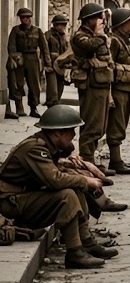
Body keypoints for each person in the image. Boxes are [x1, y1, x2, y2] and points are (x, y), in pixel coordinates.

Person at [0, 105, 120, 268]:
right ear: (57, 134)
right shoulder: (34, 149)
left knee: (75, 186)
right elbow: (55, 180)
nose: (74, 134)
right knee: (67, 194)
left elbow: (67, 153)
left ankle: (86, 242)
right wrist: (87, 181)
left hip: (22, 198)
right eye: (71, 130)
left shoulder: (48, 143)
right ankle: (75, 253)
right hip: (10, 203)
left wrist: (83, 167)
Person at [69, 2, 115, 175]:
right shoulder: (80, 36)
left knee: (100, 125)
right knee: (91, 124)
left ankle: (92, 160)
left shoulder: (97, 35)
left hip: (101, 83)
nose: (102, 21)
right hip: (90, 85)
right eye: (98, 18)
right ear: (89, 20)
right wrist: (100, 36)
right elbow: (89, 46)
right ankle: (87, 162)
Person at [105, 8, 130, 175]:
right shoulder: (114, 41)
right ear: (121, 24)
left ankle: (117, 159)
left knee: (122, 122)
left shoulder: (122, 40)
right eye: (129, 22)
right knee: (116, 124)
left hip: (125, 88)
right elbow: (108, 66)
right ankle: (115, 160)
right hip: (117, 89)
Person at [6, 7, 50, 119]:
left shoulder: (37, 31)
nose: (24, 19)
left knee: (34, 84)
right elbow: (11, 46)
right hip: (20, 58)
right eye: (22, 17)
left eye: (26, 17)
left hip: (33, 58)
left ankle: (33, 108)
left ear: (30, 18)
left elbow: (44, 48)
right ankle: (19, 107)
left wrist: (47, 63)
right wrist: (15, 57)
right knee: (18, 83)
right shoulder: (15, 30)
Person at [44, 14, 70, 110]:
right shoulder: (48, 35)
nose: (63, 27)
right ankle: (51, 106)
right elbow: (44, 50)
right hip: (51, 64)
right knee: (52, 89)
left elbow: (67, 50)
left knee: (60, 88)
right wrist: (46, 64)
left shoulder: (65, 37)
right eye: (62, 24)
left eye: (64, 24)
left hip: (61, 65)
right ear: (56, 25)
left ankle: (55, 105)